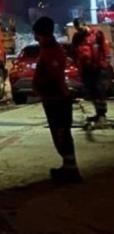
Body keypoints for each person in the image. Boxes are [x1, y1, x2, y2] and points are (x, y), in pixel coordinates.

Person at [32, 17, 81, 183]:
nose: (35, 37)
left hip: (57, 99)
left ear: (41, 33)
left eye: (37, 34)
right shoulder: (48, 48)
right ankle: (68, 166)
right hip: (53, 98)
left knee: (61, 133)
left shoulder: (52, 50)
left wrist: (42, 86)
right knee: (60, 133)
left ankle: (71, 171)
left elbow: (54, 75)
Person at [71, 18, 110, 126]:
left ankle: (102, 114)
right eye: (77, 29)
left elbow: (105, 50)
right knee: (92, 92)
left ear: (85, 25)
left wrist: (104, 65)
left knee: (99, 90)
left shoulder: (97, 35)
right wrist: (78, 65)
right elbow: (74, 52)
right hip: (85, 69)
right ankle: (98, 113)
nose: (79, 31)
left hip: (97, 68)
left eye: (80, 28)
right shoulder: (77, 37)